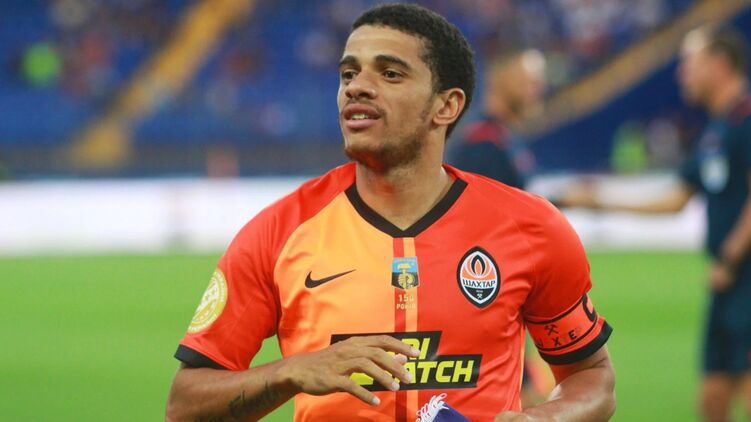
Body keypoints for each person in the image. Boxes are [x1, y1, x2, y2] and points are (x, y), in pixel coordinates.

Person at [166, 4, 615, 422]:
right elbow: (184, 404)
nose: (356, 86)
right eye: (348, 73)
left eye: (390, 73)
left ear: (446, 106)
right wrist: (290, 372)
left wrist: (541, 418)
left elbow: (591, 376)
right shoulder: (279, 231)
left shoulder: (532, 228)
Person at [562, 25, 751, 422]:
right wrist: (601, 201)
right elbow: (676, 200)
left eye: (690, 62)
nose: (682, 73)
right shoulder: (718, 129)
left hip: (742, 275)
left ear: (719, 64)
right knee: (713, 396)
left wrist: (731, 257)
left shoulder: (746, 119)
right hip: (729, 284)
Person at [448, 49, 554, 406]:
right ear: (499, 77)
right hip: (486, 300)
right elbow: (478, 232)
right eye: (528, 79)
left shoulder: (502, 138)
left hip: (499, 298)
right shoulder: (484, 145)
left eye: (538, 81)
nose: (536, 88)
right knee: (523, 402)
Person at [449, 49, 545, 190]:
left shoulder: (506, 135)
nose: (537, 90)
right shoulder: (483, 141)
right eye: (527, 82)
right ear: (499, 80)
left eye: (539, 83)